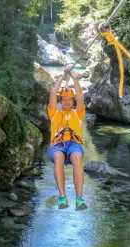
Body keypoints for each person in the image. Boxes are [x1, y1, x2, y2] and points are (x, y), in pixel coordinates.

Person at [47, 66, 87, 210]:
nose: (66, 102)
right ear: (60, 102)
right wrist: (62, 77)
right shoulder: (54, 114)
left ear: (73, 101)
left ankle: (79, 198)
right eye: (63, 100)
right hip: (58, 144)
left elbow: (80, 95)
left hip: (74, 144)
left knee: (76, 157)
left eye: (69, 100)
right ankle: (63, 197)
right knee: (58, 156)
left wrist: (75, 77)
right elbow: (52, 93)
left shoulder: (78, 113)